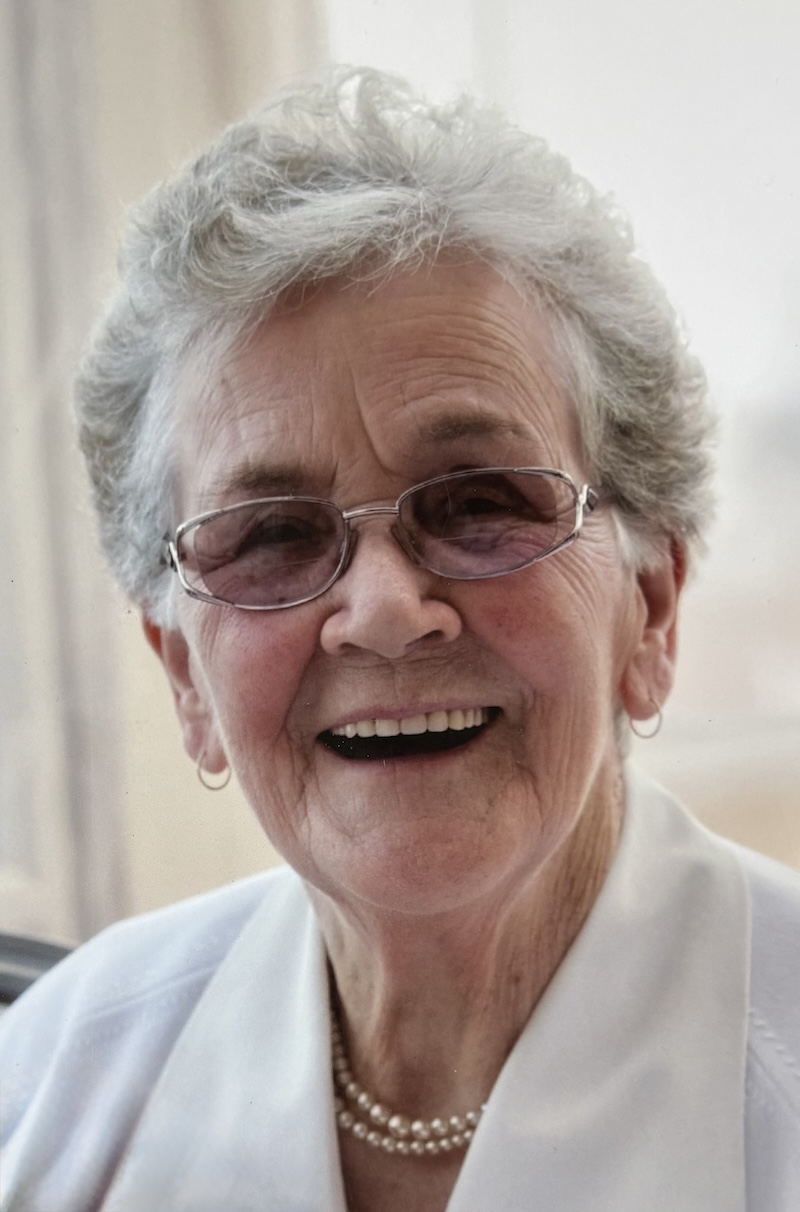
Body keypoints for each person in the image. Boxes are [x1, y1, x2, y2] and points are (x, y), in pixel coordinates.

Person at [1, 67, 798, 1212]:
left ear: (650, 607)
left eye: (477, 502)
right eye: (272, 536)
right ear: (185, 677)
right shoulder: (48, 1091)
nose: (382, 611)